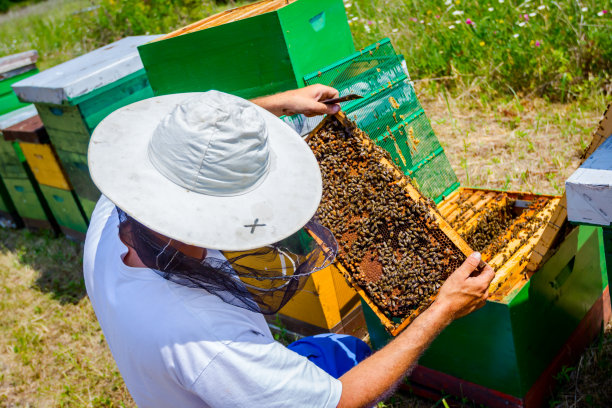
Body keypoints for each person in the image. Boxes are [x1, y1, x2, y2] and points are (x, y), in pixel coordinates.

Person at [83, 84, 495, 408]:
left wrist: (277, 106)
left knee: (346, 350)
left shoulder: (118, 206)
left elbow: (199, 149)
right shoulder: (207, 338)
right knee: (357, 376)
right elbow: (343, 400)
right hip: (227, 383)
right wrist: (443, 308)